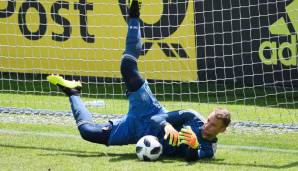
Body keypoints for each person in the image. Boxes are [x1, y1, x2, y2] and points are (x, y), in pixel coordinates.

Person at [47, 0, 231, 161]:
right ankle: (134, 14)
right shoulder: (191, 117)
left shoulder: (208, 149)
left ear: (222, 131)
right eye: (209, 121)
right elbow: (158, 117)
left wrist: (192, 145)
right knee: (127, 66)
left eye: (213, 125)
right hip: (146, 109)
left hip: (135, 130)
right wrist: (167, 126)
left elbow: (192, 158)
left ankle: (73, 91)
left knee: (87, 132)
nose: (207, 126)